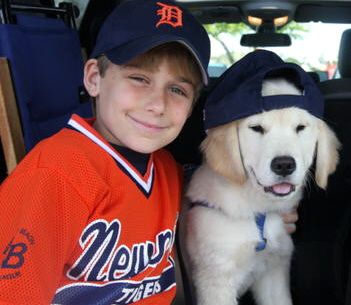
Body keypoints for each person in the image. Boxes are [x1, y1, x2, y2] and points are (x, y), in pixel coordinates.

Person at [0, 0, 211, 304]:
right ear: (94, 79)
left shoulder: (166, 168)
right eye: (139, 79)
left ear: (192, 106)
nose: (157, 104)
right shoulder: (54, 176)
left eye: (178, 90)